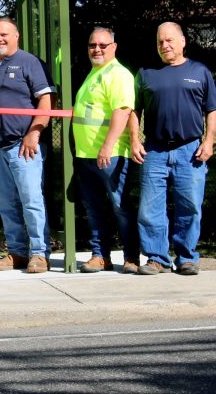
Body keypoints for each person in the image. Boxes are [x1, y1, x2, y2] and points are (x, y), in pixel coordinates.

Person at [0, 18, 56, 273]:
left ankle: (40, 253)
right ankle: (17, 251)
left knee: (31, 200)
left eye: (4, 35)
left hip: (23, 146)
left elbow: (46, 103)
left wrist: (34, 134)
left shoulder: (30, 62)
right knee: (5, 203)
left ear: (16, 36)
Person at [129, 22, 216, 276]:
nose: (164, 46)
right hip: (154, 150)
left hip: (190, 151)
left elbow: (212, 110)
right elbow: (134, 111)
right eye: (160, 42)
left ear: (182, 41)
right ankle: (157, 258)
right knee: (150, 208)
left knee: (189, 205)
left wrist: (209, 140)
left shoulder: (200, 72)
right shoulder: (146, 73)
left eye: (169, 41)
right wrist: (135, 140)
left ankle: (187, 258)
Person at [73, 28, 139, 274]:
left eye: (102, 44)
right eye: (92, 45)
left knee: (119, 207)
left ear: (114, 46)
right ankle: (101, 256)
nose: (96, 49)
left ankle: (131, 256)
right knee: (94, 208)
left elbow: (122, 111)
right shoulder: (94, 73)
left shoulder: (118, 74)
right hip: (86, 155)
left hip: (108, 155)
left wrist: (107, 147)